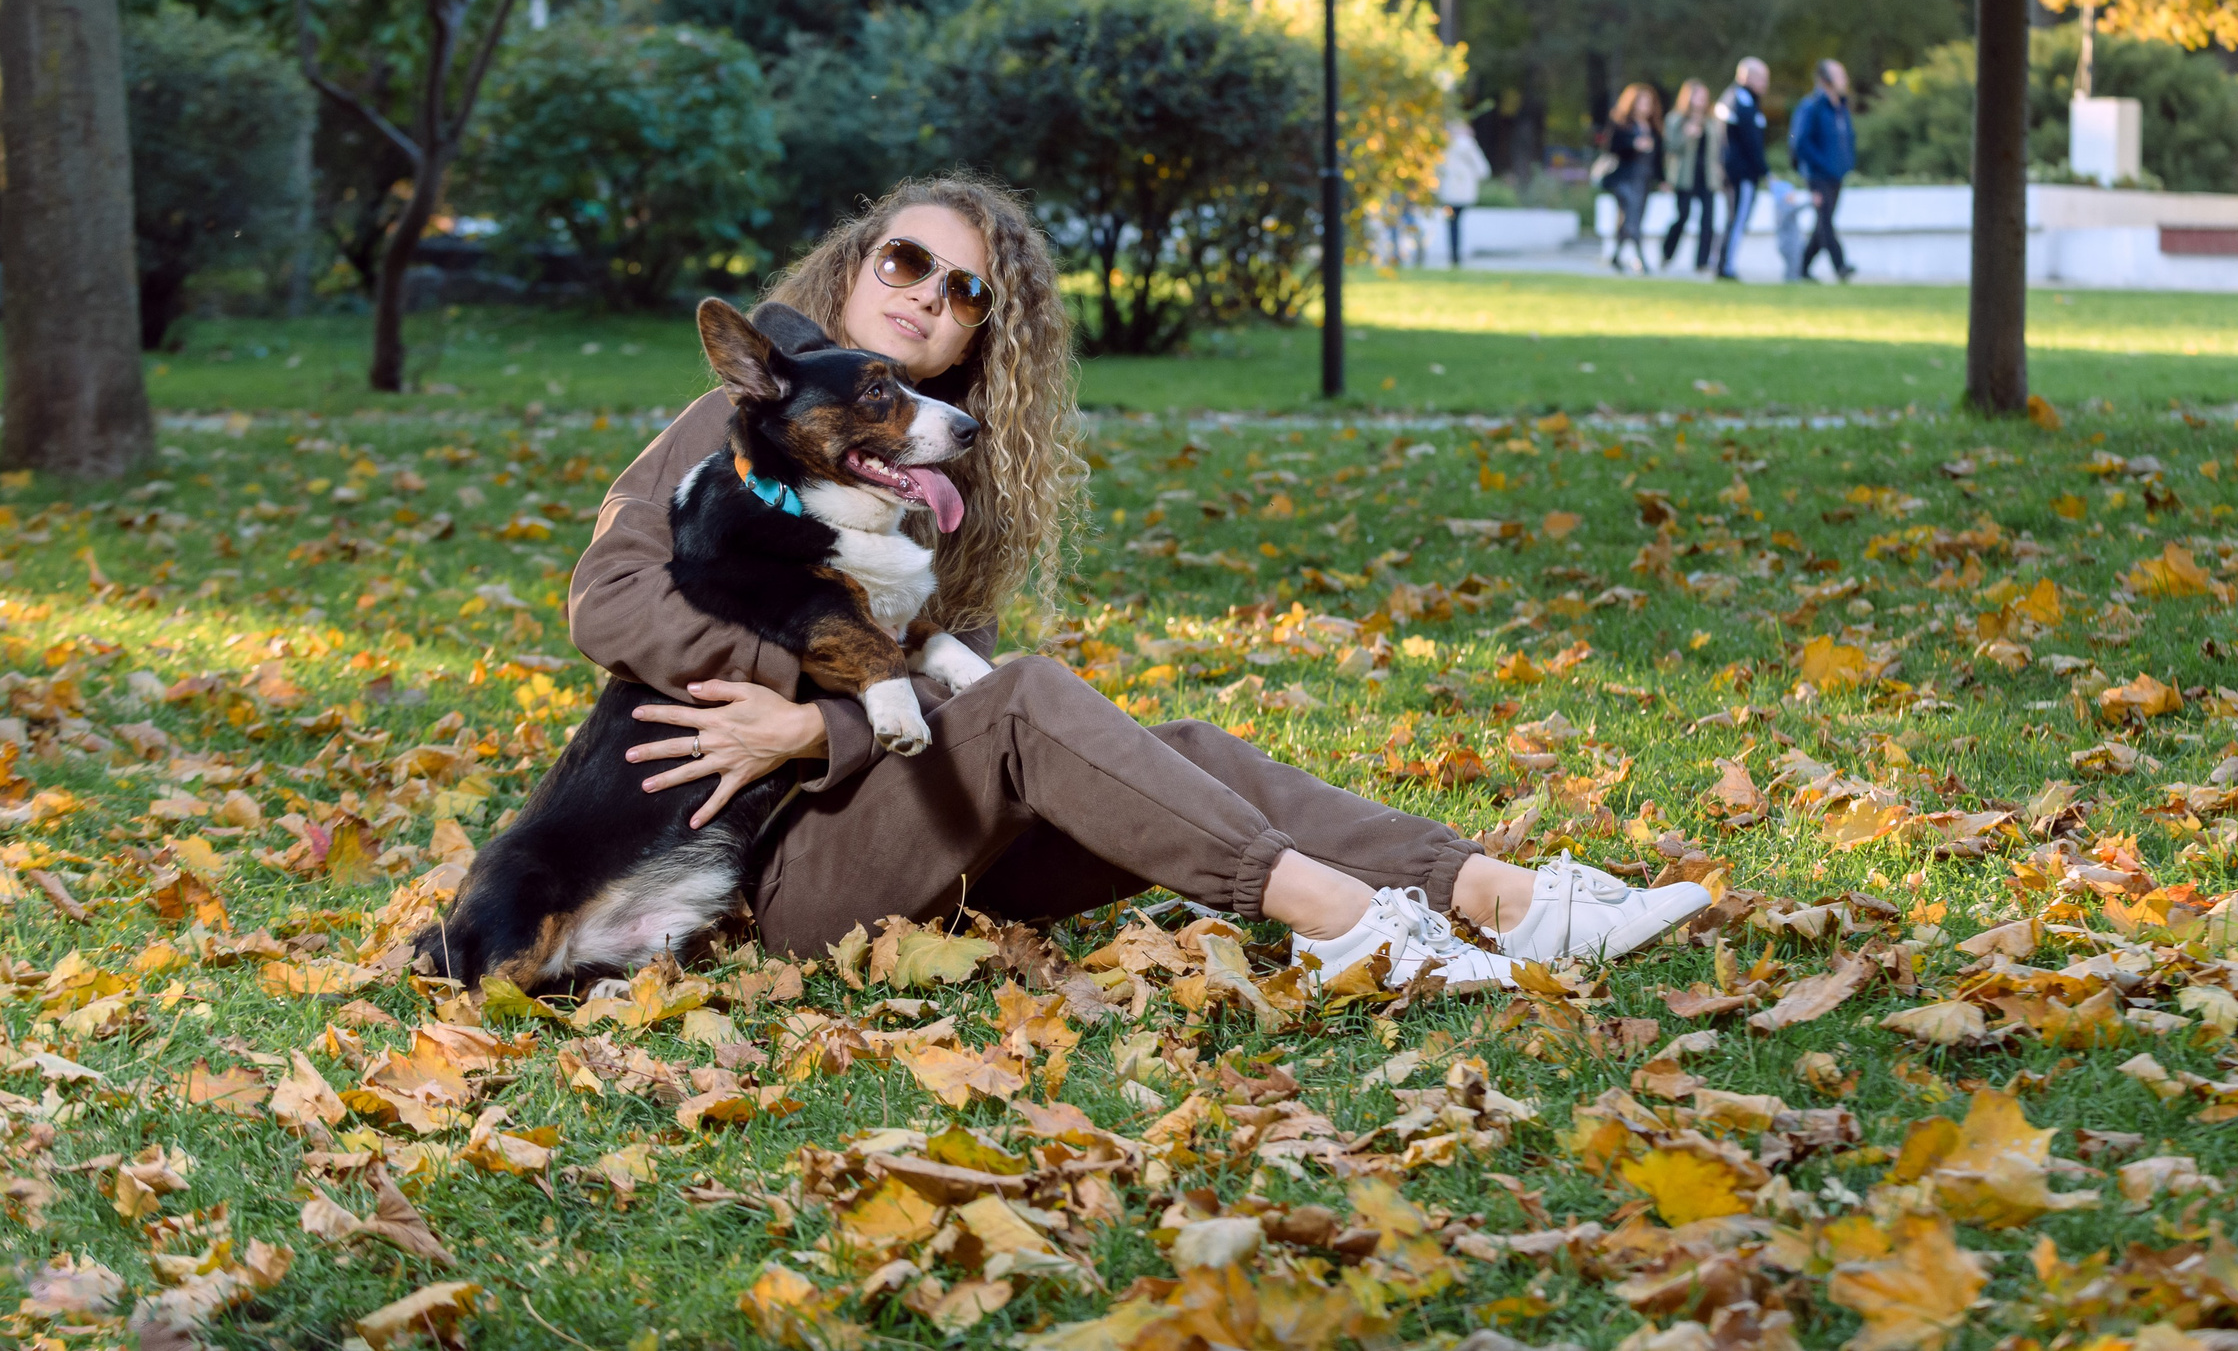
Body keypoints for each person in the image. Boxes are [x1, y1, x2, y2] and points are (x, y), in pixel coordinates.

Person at [570, 174, 1714, 990]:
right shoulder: (732, 431)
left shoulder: (943, 487)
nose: (925, 295)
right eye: (904, 261)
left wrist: (826, 731)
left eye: (964, 290)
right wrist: (784, 689)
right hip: (763, 875)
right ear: (857, 267)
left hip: (896, 827)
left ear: (978, 339)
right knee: (1024, 694)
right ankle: (1348, 924)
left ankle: (1495, 897)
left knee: (1186, 749)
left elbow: (941, 703)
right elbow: (608, 601)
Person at [1787, 60, 1859, 283]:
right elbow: (1800, 141)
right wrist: (1822, 164)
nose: (1844, 80)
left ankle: (1801, 267)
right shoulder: (1811, 106)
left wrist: (1845, 164)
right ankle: (1840, 265)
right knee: (1825, 220)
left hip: (1836, 175)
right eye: (1840, 75)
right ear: (1826, 79)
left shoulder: (1840, 107)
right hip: (1817, 175)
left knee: (1821, 224)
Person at [1714, 57, 1771, 281]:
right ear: (1747, 76)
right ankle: (1725, 266)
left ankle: (1724, 263)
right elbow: (1751, 142)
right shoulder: (1742, 101)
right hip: (1740, 174)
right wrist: (1765, 171)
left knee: (1735, 219)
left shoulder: (1738, 99)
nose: (1765, 84)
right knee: (1737, 219)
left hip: (1737, 172)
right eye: (1762, 79)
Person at [1659, 78, 1724, 271]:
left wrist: (1719, 170)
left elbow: (1717, 150)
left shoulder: (1712, 121)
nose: (1701, 100)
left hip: (1707, 176)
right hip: (1685, 176)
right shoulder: (1675, 120)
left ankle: (1702, 263)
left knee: (1708, 221)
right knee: (1683, 215)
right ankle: (1667, 253)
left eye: (1704, 96)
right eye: (1697, 96)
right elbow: (1670, 148)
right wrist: (1686, 134)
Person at [1602, 83, 1661, 274]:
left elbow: (1658, 157)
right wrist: (1633, 144)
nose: (1645, 107)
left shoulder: (1652, 127)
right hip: (1625, 179)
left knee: (1632, 219)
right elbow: (1611, 148)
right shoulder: (1621, 123)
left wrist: (1662, 179)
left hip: (1644, 180)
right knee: (1632, 218)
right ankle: (1640, 260)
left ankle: (1616, 257)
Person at [1436, 119, 1491, 269]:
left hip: (1447, 193)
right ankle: (1456, 255)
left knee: (1451, 223)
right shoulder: (1470, 146)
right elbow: (1483, 170)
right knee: (1457, 222)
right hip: (1464, 193)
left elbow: (1437, 168)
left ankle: (1453, 255)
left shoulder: (1444, 145)